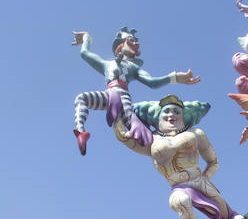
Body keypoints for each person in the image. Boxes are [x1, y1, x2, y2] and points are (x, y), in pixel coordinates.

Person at [117, 94, 235, 219]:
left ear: (184, 116)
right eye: (166, 111)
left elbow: (213, 161)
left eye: (176, 111)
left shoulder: (196, 133)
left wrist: (206, 177)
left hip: (200, 182)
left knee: (228, 216)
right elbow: (123, 136)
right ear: (157, 116)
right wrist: (117, 111)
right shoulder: (150, 141)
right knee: (181, 202)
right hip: (178, 187)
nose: (171, 114)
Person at [71, 27, 200, 156]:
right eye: (131, 40)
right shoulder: (107, 64)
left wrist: (174, 77)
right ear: (121, 44)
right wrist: (87, 38)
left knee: (136, 127)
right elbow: (85, 53)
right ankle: (81, 132)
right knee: (81, 98)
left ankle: (166, 146)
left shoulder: (133, 68)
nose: (136, 44)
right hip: (109, 94)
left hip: (122, 96)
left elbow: (152, 82)